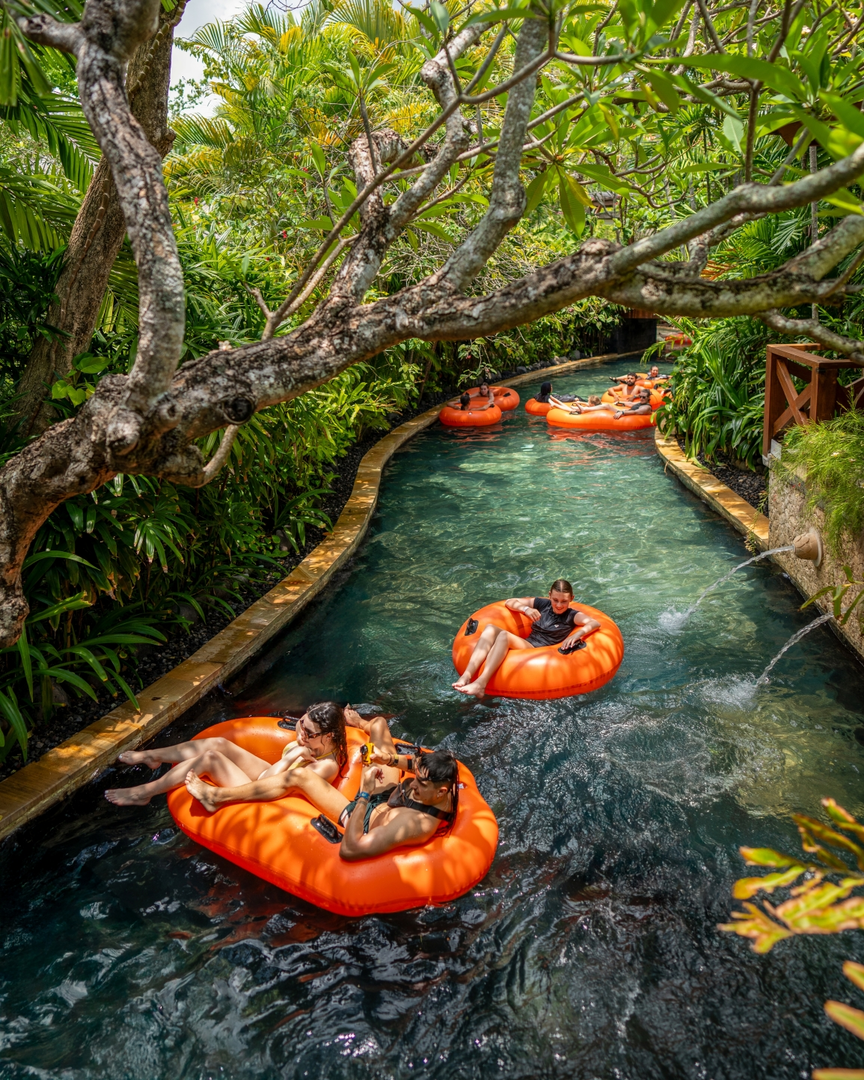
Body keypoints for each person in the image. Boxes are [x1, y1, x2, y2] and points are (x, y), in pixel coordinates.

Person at [183, 713, 459, 861]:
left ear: (441, 792)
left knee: (300, 778)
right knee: (379, 727)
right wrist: (388, 759)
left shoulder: (413, 824)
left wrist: (362, 794)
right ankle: (357, 720)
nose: (414, 785)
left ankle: (217, 796)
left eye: (421, 785)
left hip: (361, 816)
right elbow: (417, 766)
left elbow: (351, 850)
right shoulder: (443, 777)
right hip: (386, 795)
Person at [104, 700, 349, 806]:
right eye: (302, 723)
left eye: (309, 732)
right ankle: (153, 756)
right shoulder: (313, 742)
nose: (301, 732)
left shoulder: (326, 766)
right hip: (268, 774)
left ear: (329, 736)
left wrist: (291, 756)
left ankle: (144, 793)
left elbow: (268, 784)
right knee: (219, 744)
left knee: (211, 759)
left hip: (268, 798)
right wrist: (297, 748)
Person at [452, 579, 600, 698]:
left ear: (571, 599)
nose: (559, 605)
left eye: (564, 601)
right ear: (549, 595)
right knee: (490, 628)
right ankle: (467, 675)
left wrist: (577, 634)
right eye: (555, 600)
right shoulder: (543, 604)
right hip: (528, 642)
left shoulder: (572, 615)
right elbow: (509, 602)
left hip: (538, 651)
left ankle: (481, 683)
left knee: (504, 635)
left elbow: (594, 623)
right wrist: (526, 609)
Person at [562, 387, 653, 420]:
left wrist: (622, 412)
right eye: (640, 396)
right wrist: (621, 402)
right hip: (625, 412)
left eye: (644, 397)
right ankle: (581, 409)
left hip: (627, 415)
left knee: (606, 405)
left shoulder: (647, 407)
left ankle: (585, 409)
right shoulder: (641, 403)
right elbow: (632, 405)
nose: (641, 398)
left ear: (648, 398)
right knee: (607, 406)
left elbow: (635, 412)